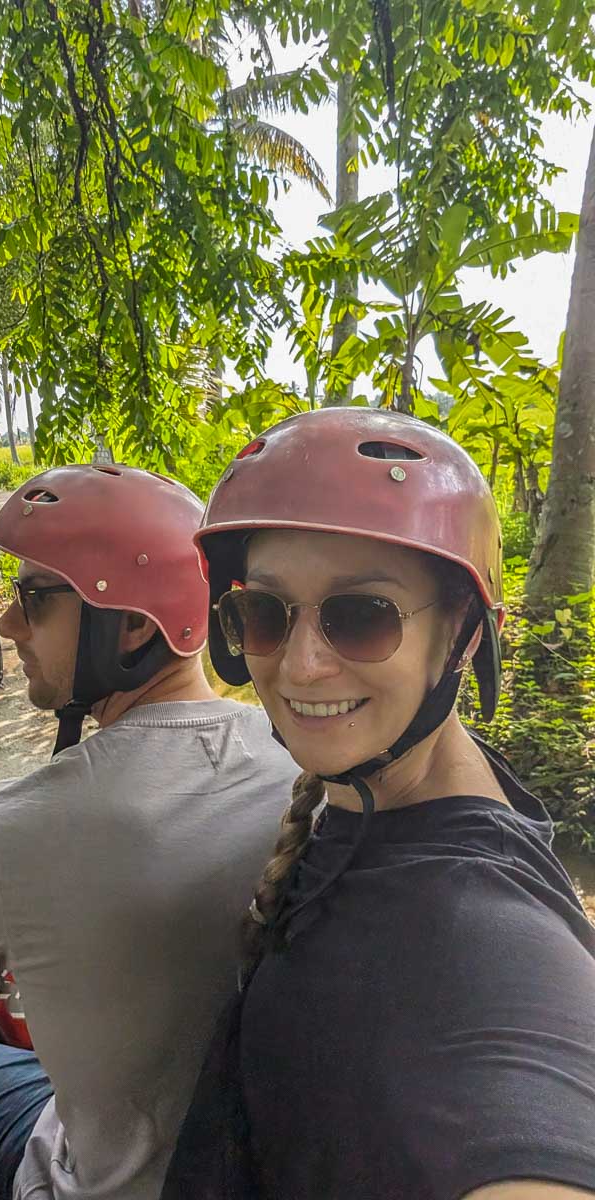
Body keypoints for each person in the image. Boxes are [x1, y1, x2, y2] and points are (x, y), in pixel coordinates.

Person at [0, 464, 298, 1200]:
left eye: (34, 599)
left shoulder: (10, 829)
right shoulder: (293, 758)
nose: (7, 625)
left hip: (100, 1181)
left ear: (132, 623)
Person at [162, 408, 595, 1200]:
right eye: (264, 612)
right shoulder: (378, 794)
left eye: (362, 616)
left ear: (465, 635)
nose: (301, 666)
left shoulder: (492, 938)